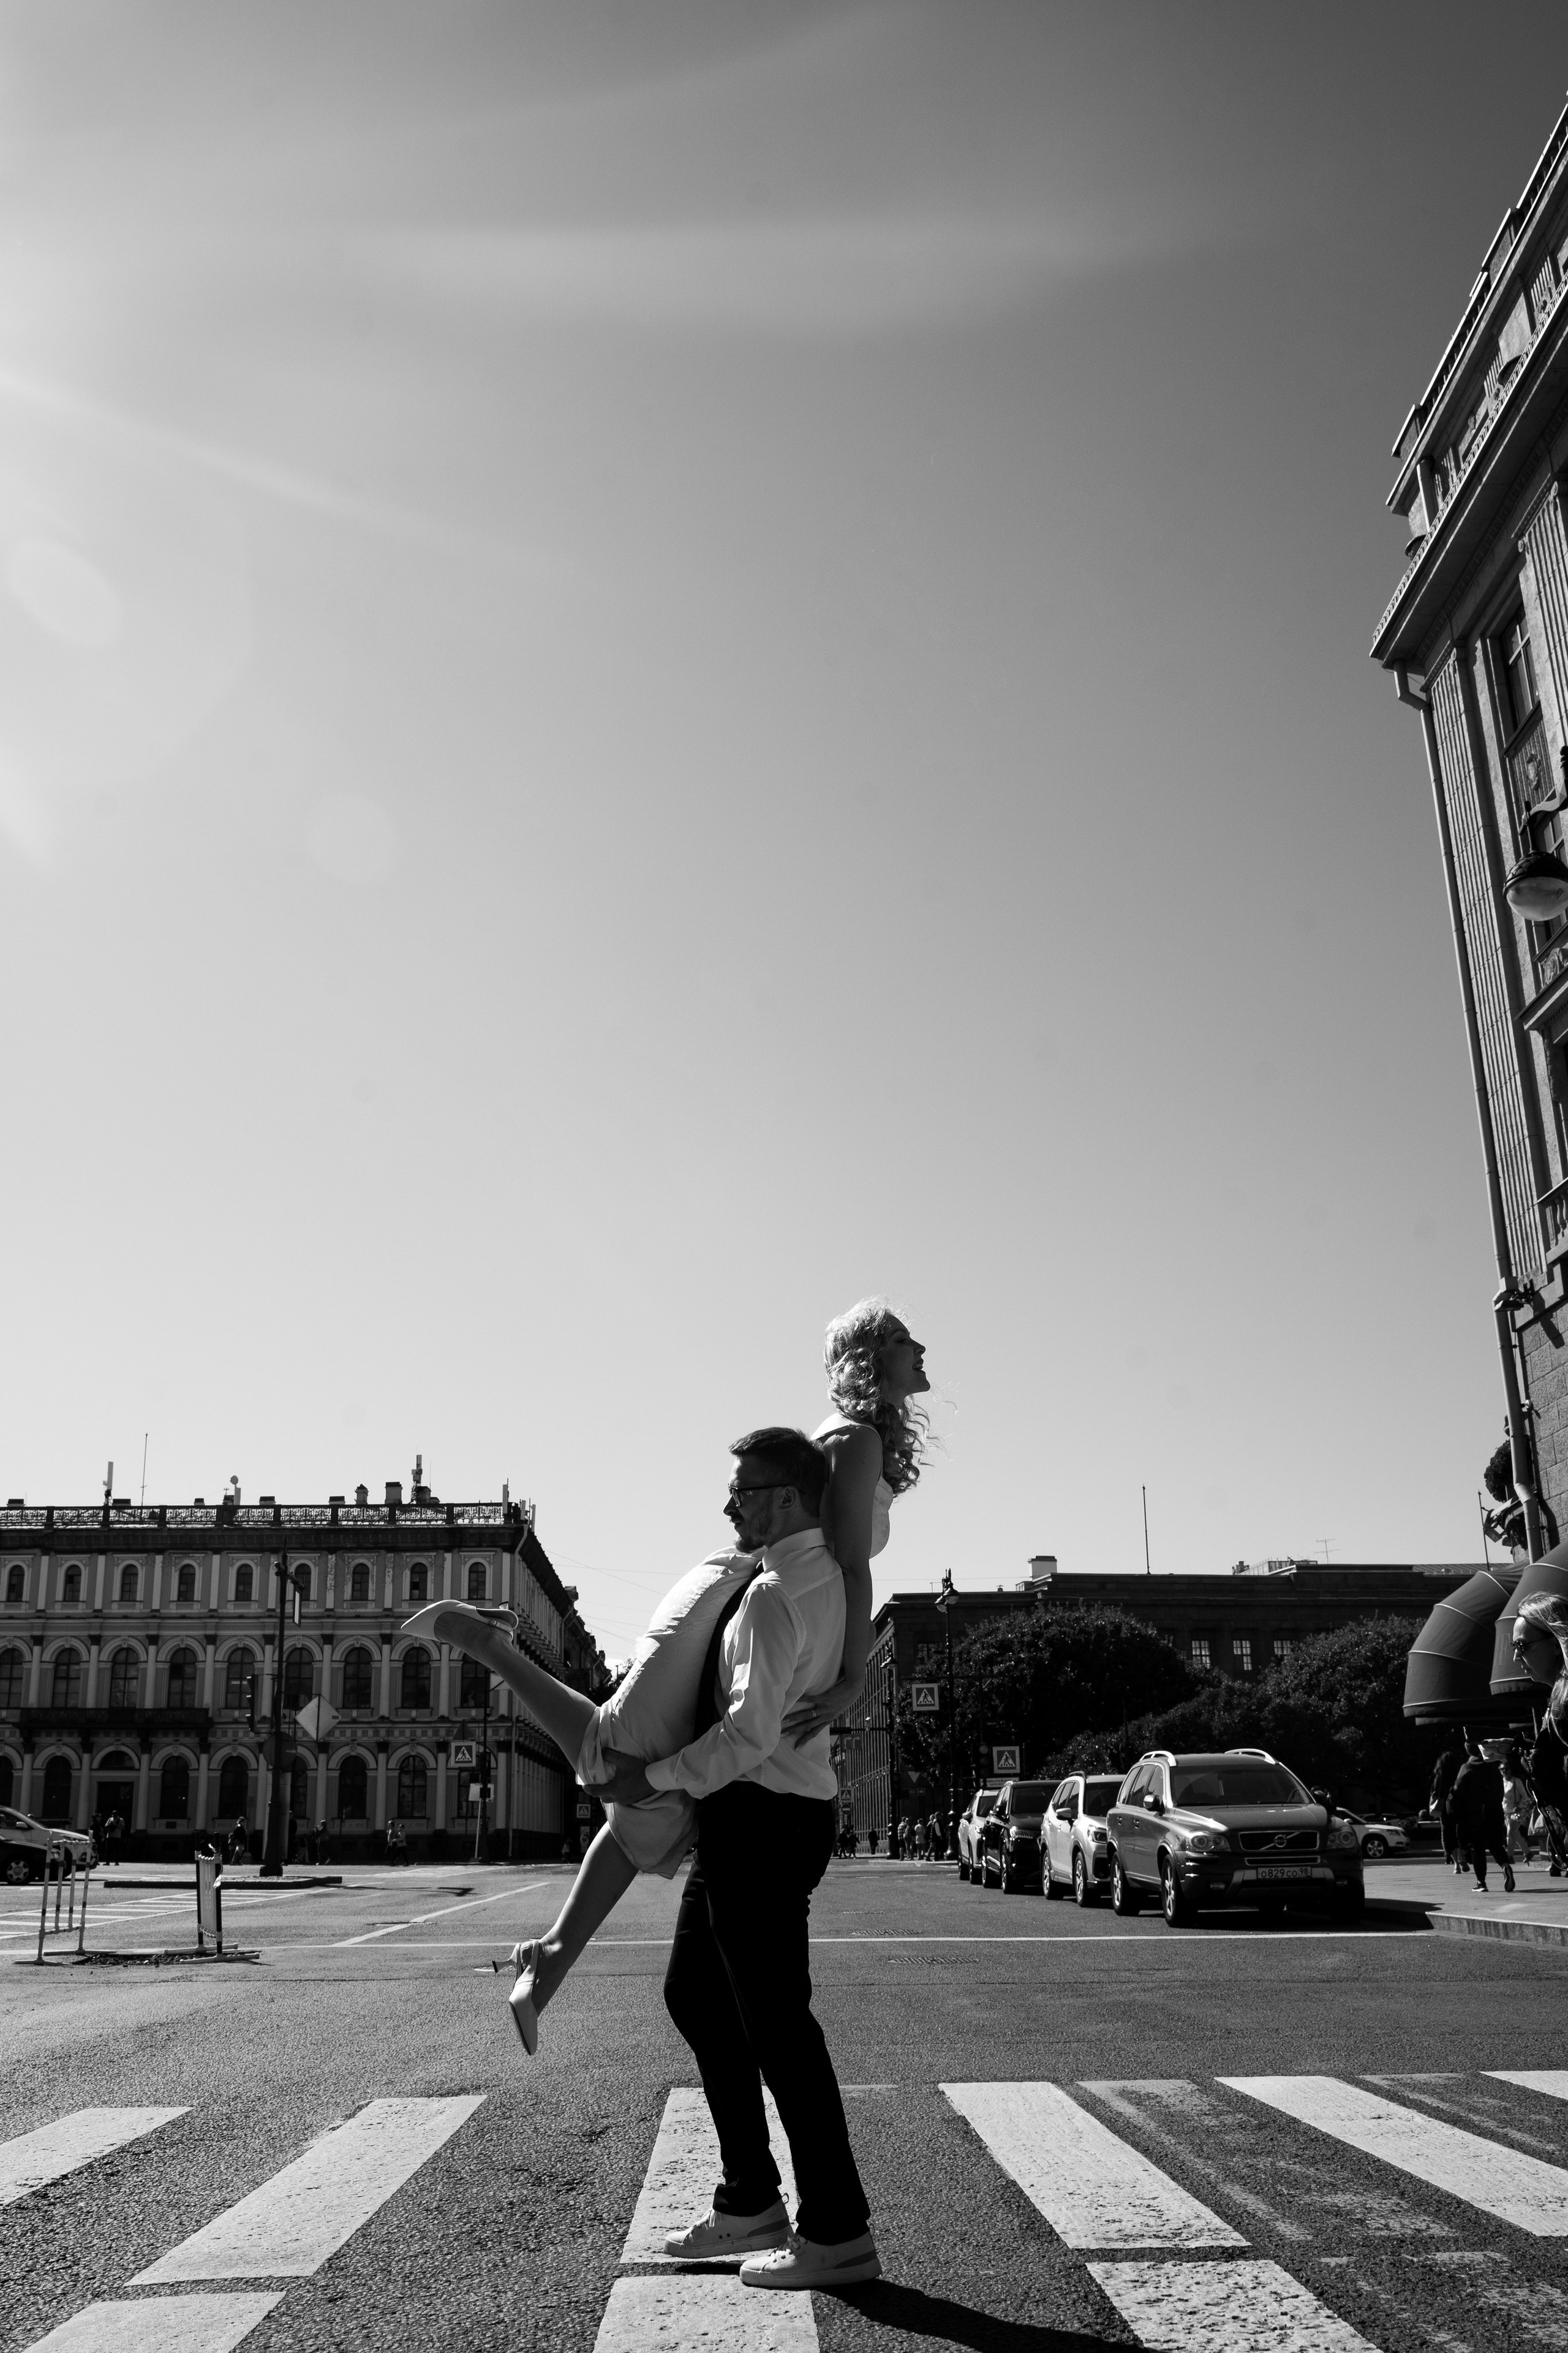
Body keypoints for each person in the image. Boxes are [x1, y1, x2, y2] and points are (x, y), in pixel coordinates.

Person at [410, 1297, 931, 2051]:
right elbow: (849, 1566)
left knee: (645, 1793)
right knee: (613, 1754)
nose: (925, 1353)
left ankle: (552, 1957)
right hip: (740, 1597)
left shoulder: (856, 1440)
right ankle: (491, 1643)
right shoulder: (853, 1441)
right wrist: (851, 1675)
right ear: (876, 1356)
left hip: (753, 1599)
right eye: (908, 1340)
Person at [597, 1425, 881, 2291]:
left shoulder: (773, 1593)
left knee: (778, 2025)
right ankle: (750, 2196)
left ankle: (835, 2229)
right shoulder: (825, 1577)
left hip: (760, 1815)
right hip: (780, 1814)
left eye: (744, 1489)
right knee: (697, 1993)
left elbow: (750, 1735)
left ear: (788, 1496)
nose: (729, 1505)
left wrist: (653, 1776)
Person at [1451, 1737, 1515, 1893]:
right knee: (1495, 1844)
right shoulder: (1492, 1767)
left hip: (1474, 1814)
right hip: (1493, 1813)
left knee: (1477, 1849)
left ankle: (1481, 1882)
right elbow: (1500, 1791)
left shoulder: (1467, 1767)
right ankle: (1505, 1865)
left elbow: (1458, 1791)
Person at [1430, 1737, 1464, 1873]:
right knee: (1459, 1835)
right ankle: (1463, 1859)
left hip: (1444, 1810)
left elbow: (1435, 1793)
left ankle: (1456, 1864)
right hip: (1458, 1808)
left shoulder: (1439, 1777)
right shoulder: (1458, 1775)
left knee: (1448, 1837)